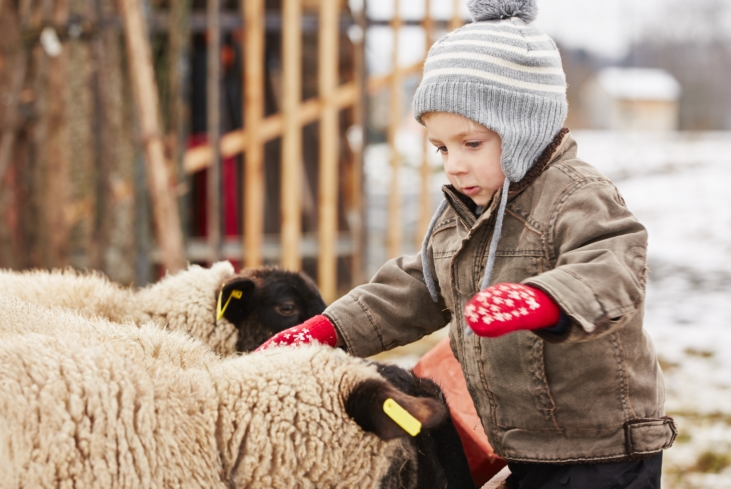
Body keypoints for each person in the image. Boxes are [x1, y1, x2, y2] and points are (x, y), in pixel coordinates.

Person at [258, 0, 676, 487]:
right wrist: (327, 330)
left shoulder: (576, 196)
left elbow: (612, 270)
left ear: (524, 128)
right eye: (442, 148)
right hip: (526, 446)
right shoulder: (468, 211)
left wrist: (541, 301)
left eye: (471, 143)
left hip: (604, 450)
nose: (454, 165)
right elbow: (416, 288)